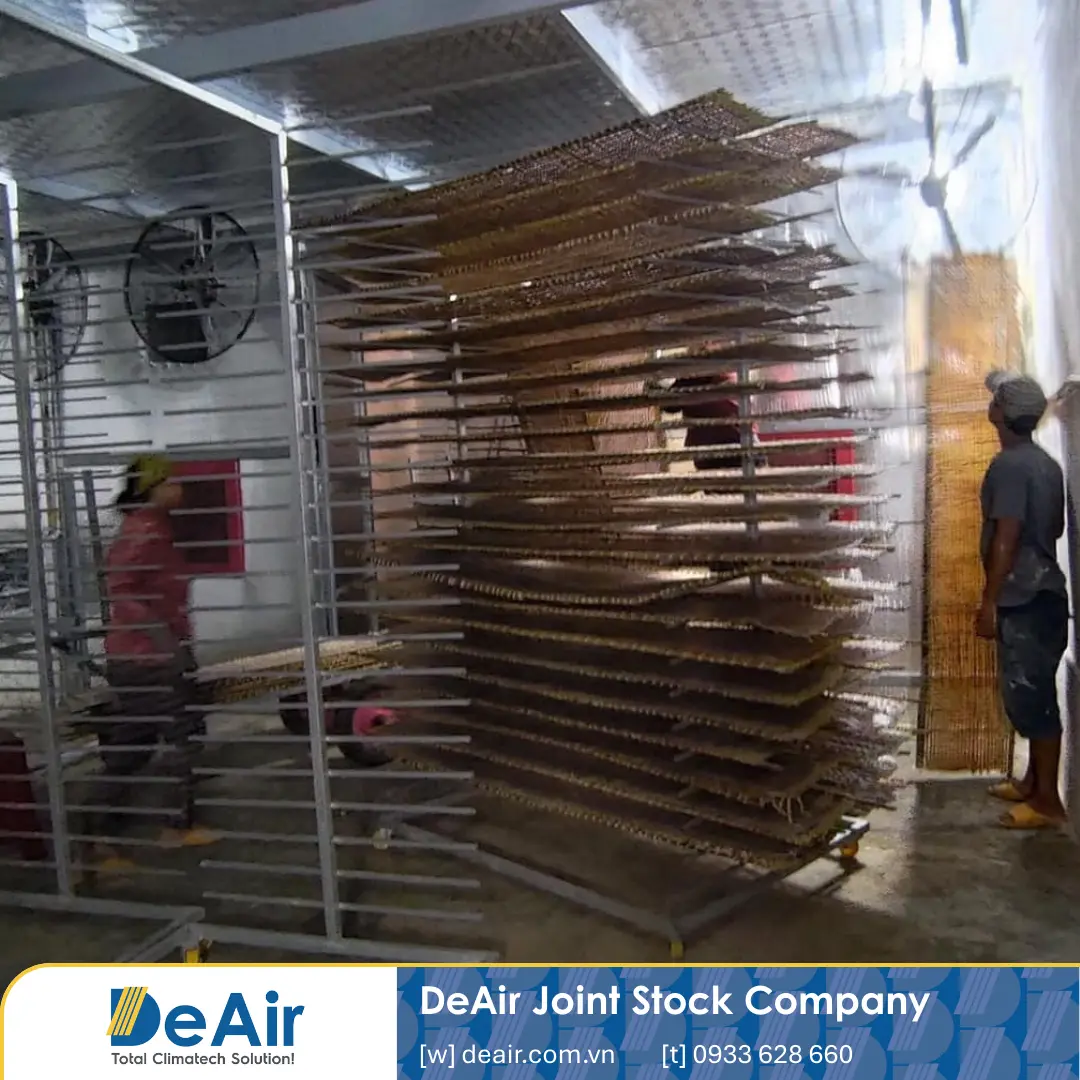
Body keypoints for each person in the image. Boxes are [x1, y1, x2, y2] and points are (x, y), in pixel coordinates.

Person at [88, 454, 216, 864]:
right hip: (147, 661)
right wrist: (166, 641)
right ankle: (163, 829)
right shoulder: (142, 530)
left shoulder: (155, 528)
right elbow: (122, 588)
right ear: (152, 487)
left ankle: (111, 837)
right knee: (177, 739)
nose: (179, 488)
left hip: (150, 656)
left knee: (139, 745)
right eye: (172, 481)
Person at [975, 371, 1069, 829]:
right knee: (1034, 692)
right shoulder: (1044, 463)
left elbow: (1006, 536)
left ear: (1003, 414)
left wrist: (990, 600)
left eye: (994, 400)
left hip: (1024, 597)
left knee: (1031, 700)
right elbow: (1052, 530)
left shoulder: (1009, 466)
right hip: (1045, 592)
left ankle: (1048, 800)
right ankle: (1034, 782)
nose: (989, 405)